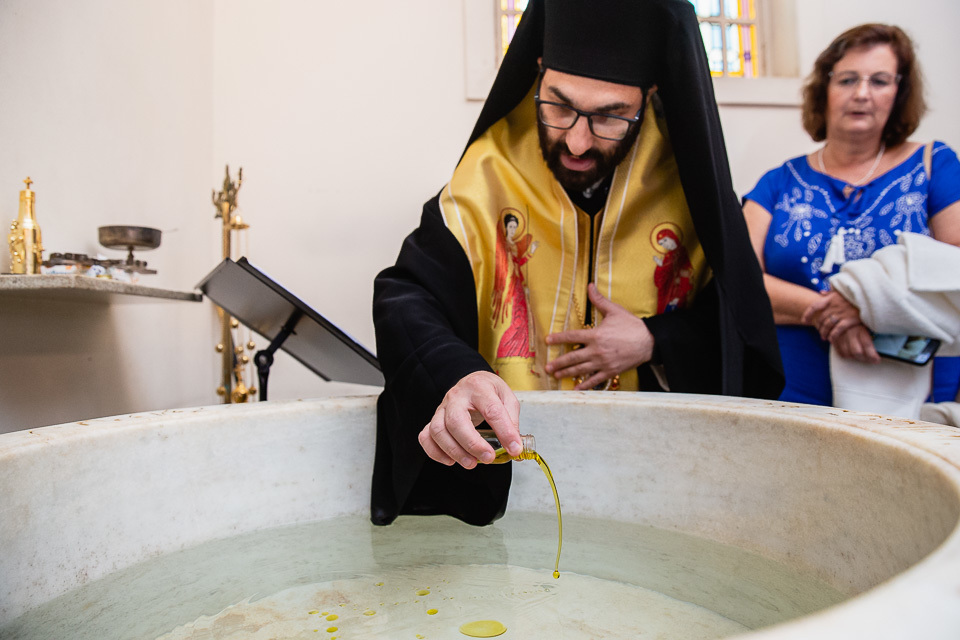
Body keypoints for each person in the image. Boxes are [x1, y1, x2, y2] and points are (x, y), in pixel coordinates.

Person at [371, 0, 783, 527]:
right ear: (537, 70)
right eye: (559, 106)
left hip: (650, 489)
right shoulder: (489, 171)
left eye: (610, 116)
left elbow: (744, 335)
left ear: (650, 95)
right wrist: (459, 374)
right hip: (508, 480)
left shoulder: (687, 183)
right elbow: (406, 294)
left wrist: (655, 340)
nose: (577, 140)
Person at [742, 23, 960, 407]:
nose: (861, 94)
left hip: (912, 398)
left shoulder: (934, 165)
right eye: (847, 79)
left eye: (879, 81)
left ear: (900, 92)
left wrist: (859, 303)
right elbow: (740, 279)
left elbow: (953, 272)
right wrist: (840, 310)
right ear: (824, 89)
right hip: (790, 393)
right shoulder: (777, 182)